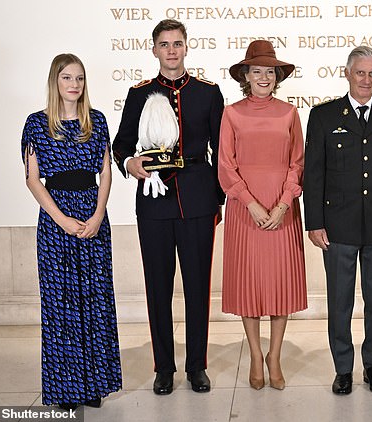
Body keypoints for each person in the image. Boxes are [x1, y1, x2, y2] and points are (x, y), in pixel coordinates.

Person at [112, 19, 225, 395]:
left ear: (187, 47)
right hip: (154, 202)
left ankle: (196, 366)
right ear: (154, 49)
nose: (171, 50)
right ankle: (164, 367)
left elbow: (222, 151)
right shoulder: (138, 93)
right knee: (158, 287)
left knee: (197, 286)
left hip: (196, 199)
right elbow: (121, 144)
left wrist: (218, 200)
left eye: (177, 43)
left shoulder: (208, 93)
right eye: (164, 44)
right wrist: (130, 164)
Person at [304, 46, 372, 395]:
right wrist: (314, 222)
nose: (367, 80)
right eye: (360, 73)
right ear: (347, 74)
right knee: (340, 300)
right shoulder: (323, 116)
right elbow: (314, 174)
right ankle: (343, 368)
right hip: (338, 225)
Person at [22, 53, 122, 409]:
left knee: (95, 301)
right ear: (55, 81)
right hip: (55, 221)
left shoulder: (96, 120)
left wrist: (98, 215)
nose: (74, 84)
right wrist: (62, 219)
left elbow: (106, 172)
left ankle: (94, 385)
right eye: (67, 78)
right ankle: (66, 389)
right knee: (61, 304)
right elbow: (33, 179)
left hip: (93, 216)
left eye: (79, 78)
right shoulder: (36, 124)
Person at [218, 40, 307, 391]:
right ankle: (255, 355)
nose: (264, 76)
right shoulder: (232, 113)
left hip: (282, 207)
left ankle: (275, 355)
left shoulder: (289, 113)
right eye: (257, 70)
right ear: (246, 75)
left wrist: (284, 202)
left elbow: (297, 163)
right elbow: (226, 165)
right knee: (249, 283)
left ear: (277, 76)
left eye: (270, 71)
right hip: (245, 209)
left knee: (279, 284)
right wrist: (250, 203)